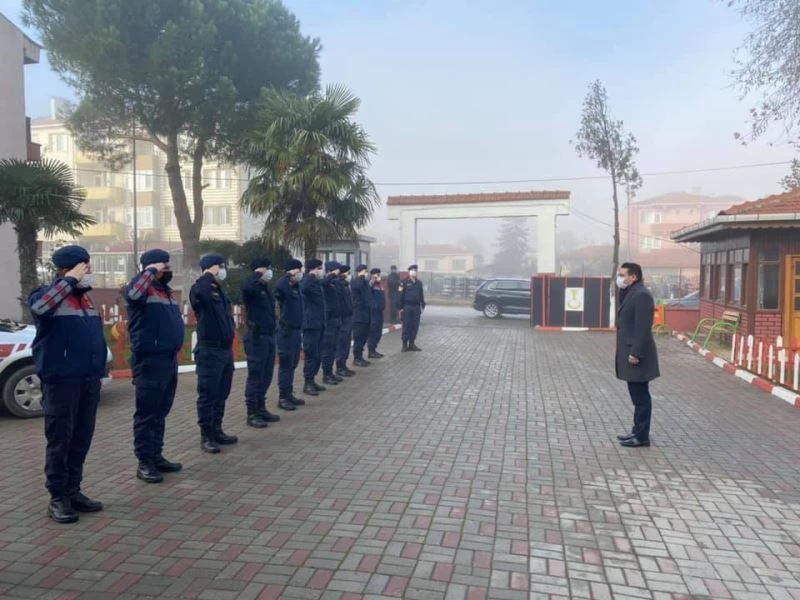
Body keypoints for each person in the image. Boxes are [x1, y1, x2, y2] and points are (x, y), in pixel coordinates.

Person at [29, 245, 108, 523]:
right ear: (69, 269)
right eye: (85, 267)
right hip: (61, 381)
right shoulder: (46, 295)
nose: (90, 272)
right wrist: (68, 281)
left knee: (81, 438)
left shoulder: (86, 300)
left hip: (88, 379)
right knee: (60, 440)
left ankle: (74, 490)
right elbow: (39, 308)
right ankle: (57, 497)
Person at [125, 249, 185, 484]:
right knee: (147, 413)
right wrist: (149, 271)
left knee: (161, 411)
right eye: (164, 266)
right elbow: (132, 293)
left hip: (168, 359)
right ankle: (144, 462)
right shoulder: (141, 289)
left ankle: (156, 455)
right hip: (149, 360)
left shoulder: (165, 292)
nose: (168, 270)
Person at [190, 254, 238, 453]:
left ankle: (217, 429)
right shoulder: (201, 288)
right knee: (208, 394)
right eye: (221, 266)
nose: (223, 270)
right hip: (210, 350)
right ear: (213, 268)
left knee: (221, 392)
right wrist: (208, 274)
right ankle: (206, 435)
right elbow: (199, 296)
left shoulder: (218, 290)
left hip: (224, 350)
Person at [615, 262, 660, 448]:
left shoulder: (642, 295)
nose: (620, 278)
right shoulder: (632, 292)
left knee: (641, 397)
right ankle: (636, 431)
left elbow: (643, 328)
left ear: (633, 276)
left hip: (638, 354)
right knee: (636, 395)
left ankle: (642, 436)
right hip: (631, 351)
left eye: (623, 275)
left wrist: (636, 353)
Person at [241, 257, 281, 428]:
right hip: (256, 337)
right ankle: (252, 413)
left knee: (266, 375)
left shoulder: (264, 288)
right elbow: (246, 288)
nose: (269, 272)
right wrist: (257, 273)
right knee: (256, 376)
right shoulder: (252, 286)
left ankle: (261, 407)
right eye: (267, 268)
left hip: (269, 335)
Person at [275, 259, 305, 410]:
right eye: (299, 270)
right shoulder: (284, 285)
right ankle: (283, 397)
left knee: (293, 363)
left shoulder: (296, 287)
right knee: (286, 364)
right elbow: (279, 287)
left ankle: (289, 393)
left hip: (296, 331)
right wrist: (288, 275)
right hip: (286, 331)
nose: (301, 273)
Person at [301, 259, 326, 396]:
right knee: (311, 354)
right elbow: (303, 288)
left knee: (318, 354)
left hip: (320, 323)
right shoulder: (307, 281)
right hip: (310, 324)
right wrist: (311, 275)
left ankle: (313, 379)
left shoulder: (316, 283)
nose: (320, 270)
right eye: (318, 268)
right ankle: (308, 382)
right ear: (311, 269)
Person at [321, 261, 343, 385]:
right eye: (336, 270)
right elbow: (323, 282)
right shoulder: (325, 282)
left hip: (336, 318)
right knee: (328, 348)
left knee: (333, 347)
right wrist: (331, 276)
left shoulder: (334, 283)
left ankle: (330, 372)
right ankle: (326, 374)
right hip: (328, 319)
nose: (338, 272)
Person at [335, 265, 356, 378]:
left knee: (347, 342)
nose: (349, 275)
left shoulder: (347, 285)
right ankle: (339, 366)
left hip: (348, 317)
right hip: (342, 318)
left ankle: (343, 365)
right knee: (342, 342)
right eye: (348, 273)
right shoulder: (340, 285)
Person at [400, 264, 425, 352]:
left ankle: (412, 343)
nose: (415, 272)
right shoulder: (404, 282)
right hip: (407, 306)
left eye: (416, 270)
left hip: (416, 307)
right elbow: (400, 295)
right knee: (407, 325)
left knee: (415, 325)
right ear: (409, 272)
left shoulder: (419, 283)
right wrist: (401, 307)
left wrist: (423, 305)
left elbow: (421, 295)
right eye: (413, 270)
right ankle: (404, 344)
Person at [350, 264, 372, 367]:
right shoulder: (356, 281)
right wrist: (361, 277)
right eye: (364, 271)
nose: (366, 273)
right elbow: (358, 287)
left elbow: (367, 294)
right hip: (358, 315)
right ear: (359, 272)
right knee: (358, 337)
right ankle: (356, 358)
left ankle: (360, 356)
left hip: (366, 314)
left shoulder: (365, 282)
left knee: (364, 337)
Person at [368, 268, 386, 359]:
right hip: (373, 312)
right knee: (373, 331)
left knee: (378, 332)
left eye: (379, 274)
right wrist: (373, 280)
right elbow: (368, 289)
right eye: (376, 275)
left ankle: (374, 350)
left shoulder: (380, 285)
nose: (378, 276)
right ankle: (371, 351)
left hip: (379, 311)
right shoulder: (371, 283)